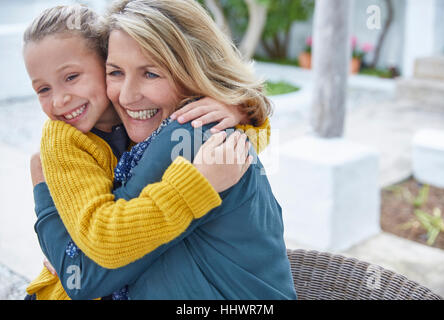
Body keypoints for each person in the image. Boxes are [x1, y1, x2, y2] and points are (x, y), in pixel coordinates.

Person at [29, 0, 295, 299]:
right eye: (115, 72)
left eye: (151, 74)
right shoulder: (111, 131)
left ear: (193, 70)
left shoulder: (186, 131)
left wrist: (46, 198)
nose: (127, 96)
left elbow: (81, 275)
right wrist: (241, 107)